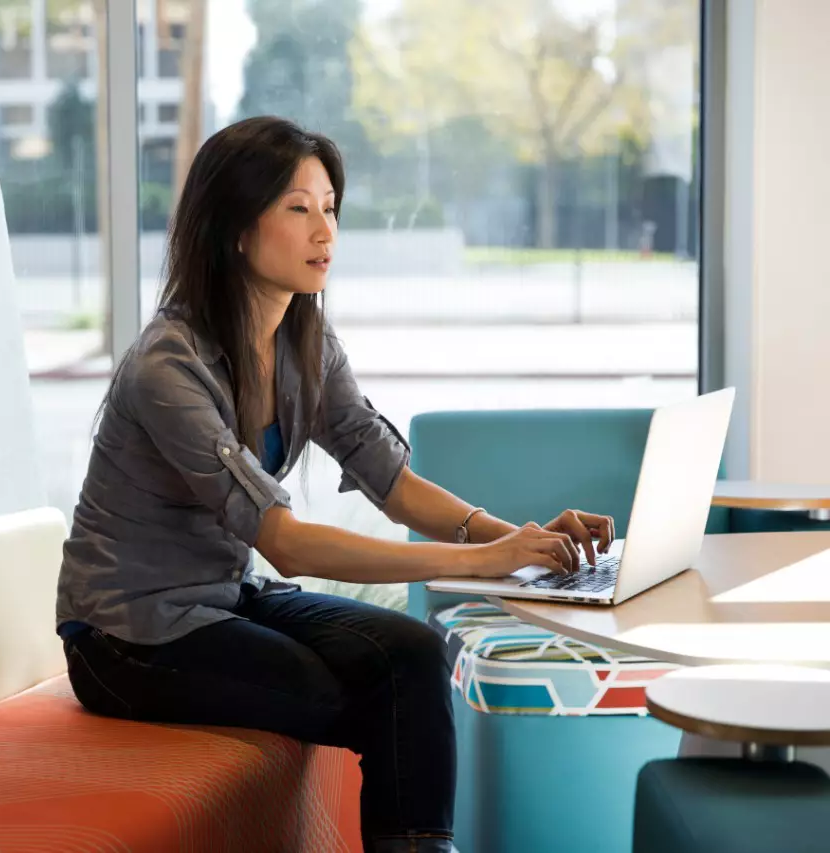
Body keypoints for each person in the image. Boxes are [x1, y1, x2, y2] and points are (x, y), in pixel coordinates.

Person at [55, 116, 615, 853]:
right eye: (298, 208)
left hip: (222, 600)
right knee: (346, 691)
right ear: (235, 229)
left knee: (412, 652)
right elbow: (284, 541)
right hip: (124, 636)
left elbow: (396, 483)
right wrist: (476, 563)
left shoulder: (305, 343)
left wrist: (519, 539)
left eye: (330, 207)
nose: (325, 231)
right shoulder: (170, 365)